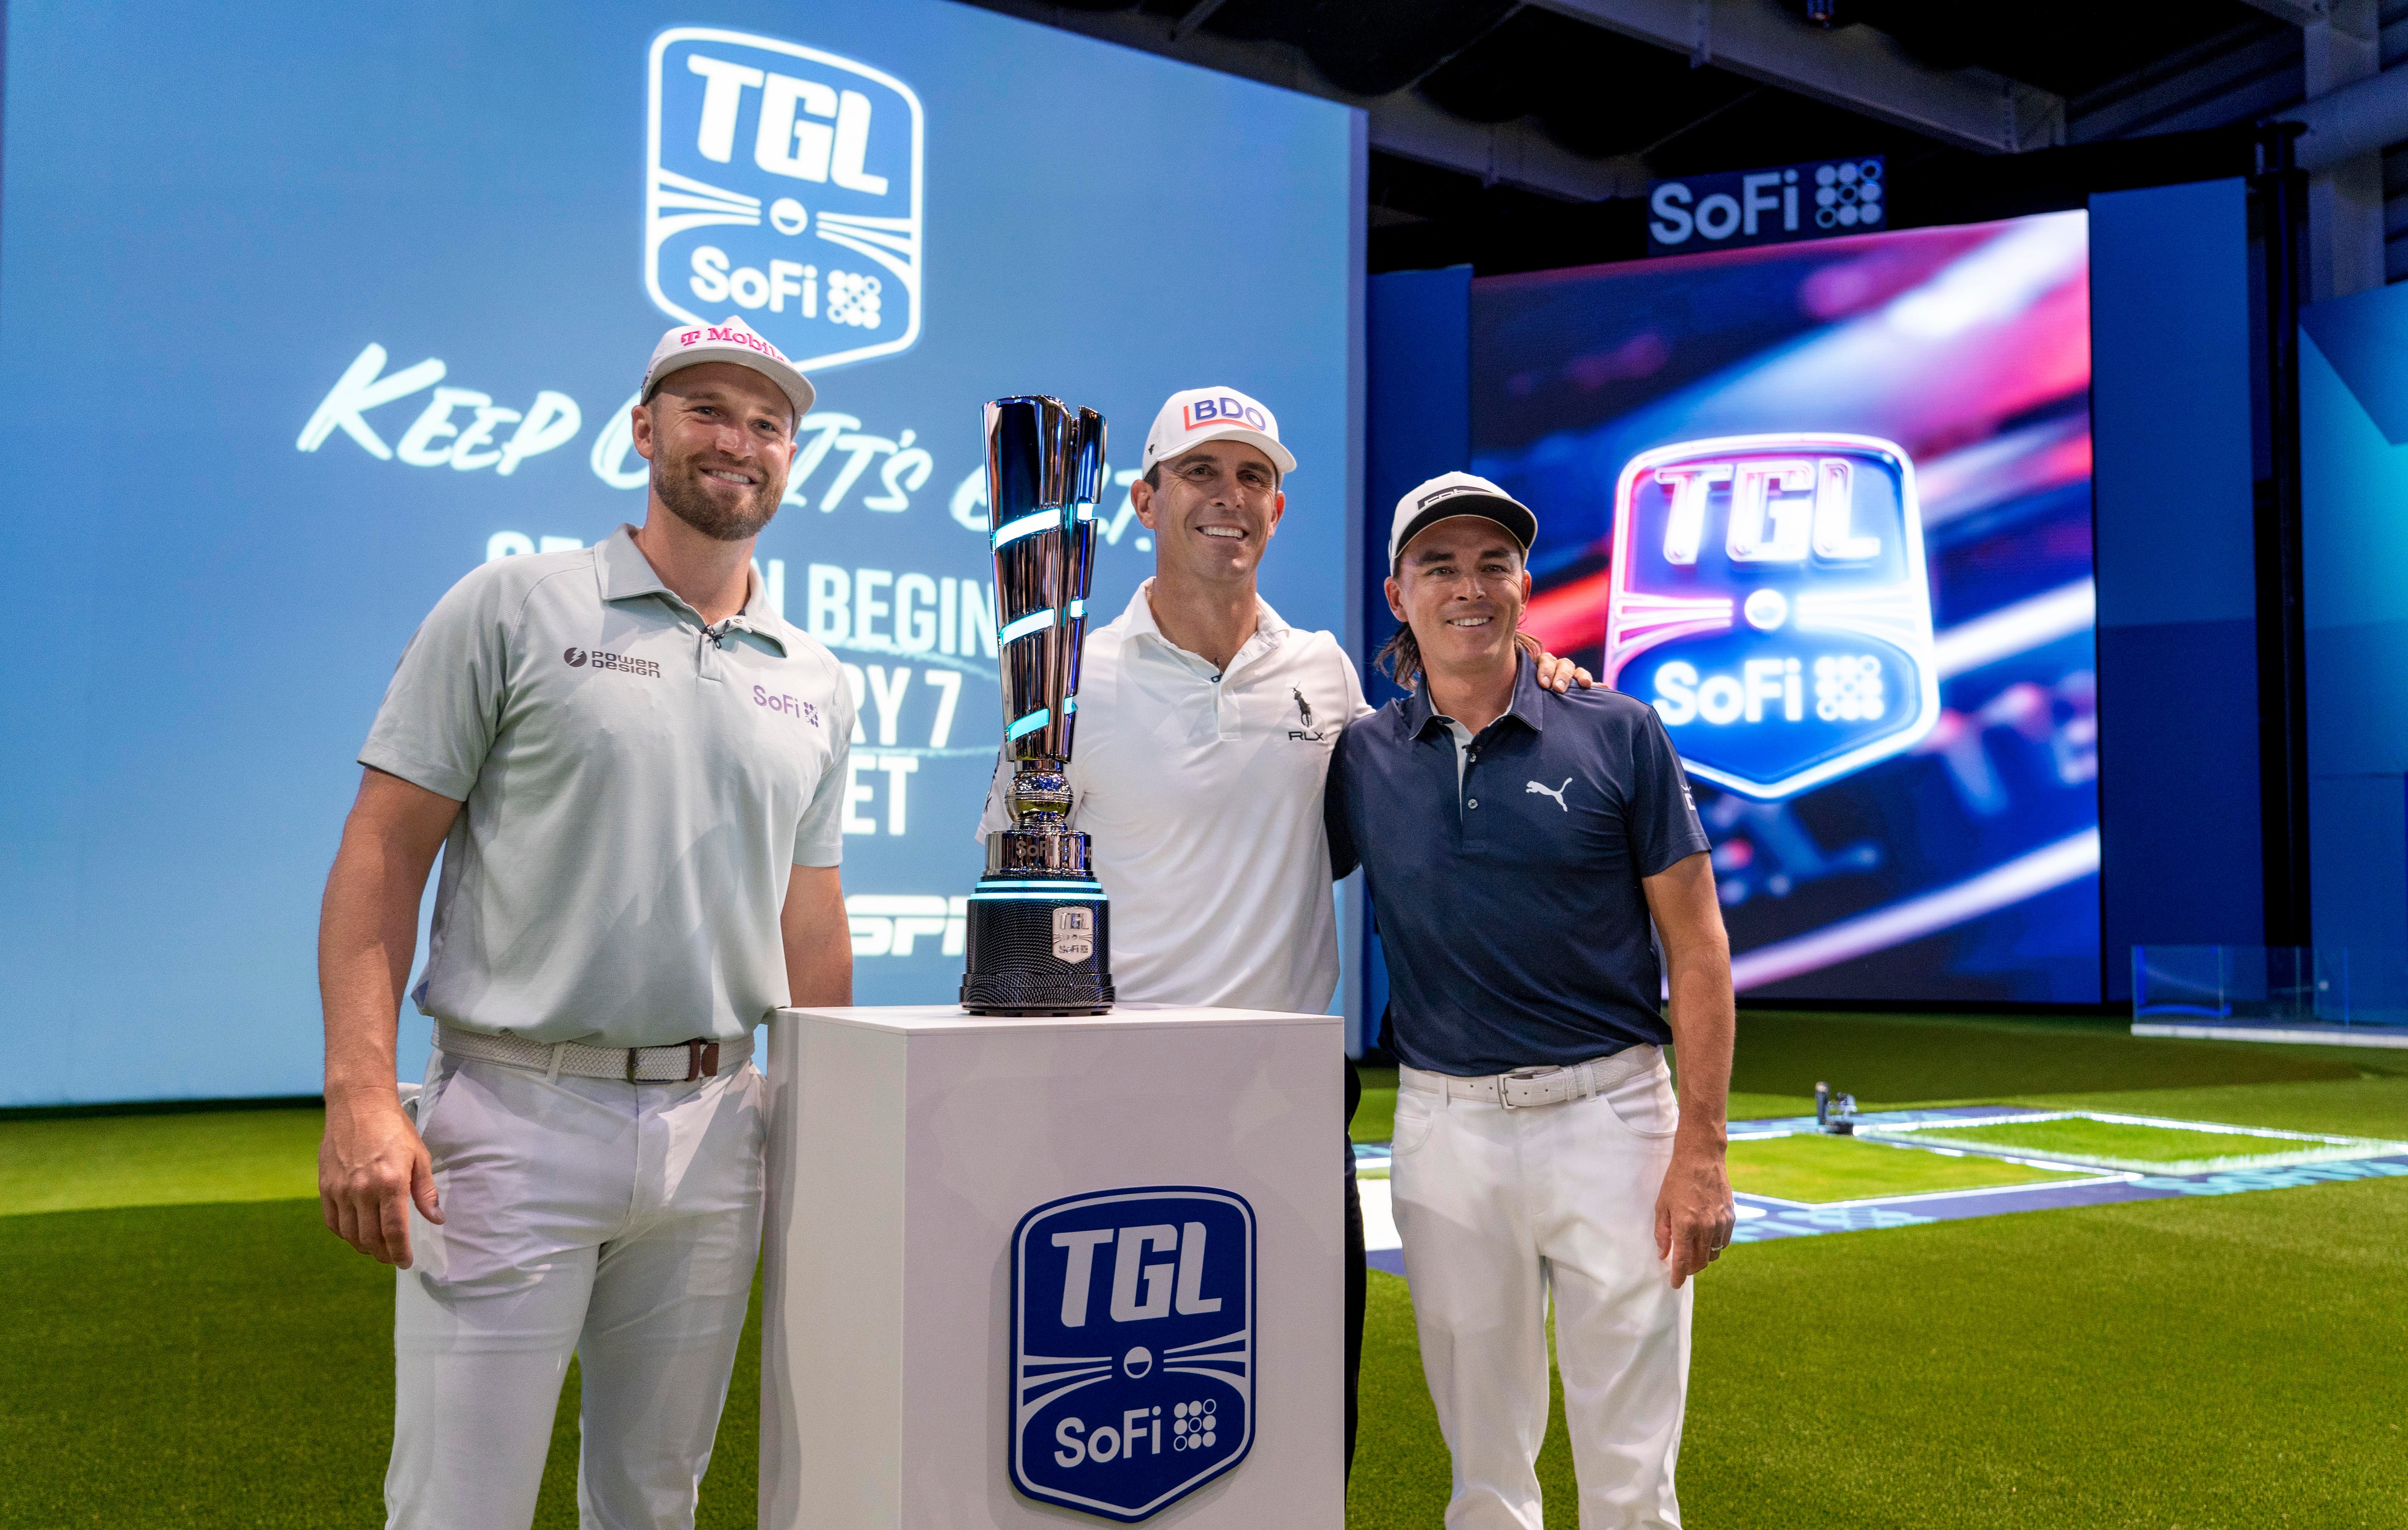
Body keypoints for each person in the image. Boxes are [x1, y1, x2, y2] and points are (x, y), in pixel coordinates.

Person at [976, 392, 1592, 1476]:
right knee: (1120, 1423)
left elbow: (1413, 771)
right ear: (1144, 500)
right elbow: (1015, 880)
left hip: (1287, 1100)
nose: (1229, 497)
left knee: (1302, 1419)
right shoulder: (1068, 679)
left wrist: (1536, 665)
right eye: (1201, 472)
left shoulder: (1322, 671)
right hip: (1111, 1096)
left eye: (1253, 476)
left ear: (1278, 508)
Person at [316, 316, 856, 1530]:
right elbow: (383, 850)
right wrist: (361, 1092)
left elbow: (811, 918)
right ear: (644, 428)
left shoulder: (818, 675)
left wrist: (833, 1126)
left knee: (654, 1502)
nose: (739, 441)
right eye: (707, 409)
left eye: (767, 423)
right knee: (459, 1508)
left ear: (791, 456)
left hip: (718, 1131)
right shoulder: (512, 604)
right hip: (513, 1117)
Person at [1324, 473, 1737, 1530]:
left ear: (1524, 584)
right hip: (1447, 1129)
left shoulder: (1618, 730)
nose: (1470, 587)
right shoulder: (1363, 755)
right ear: (1398, 594)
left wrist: (1703, 1148)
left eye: (1492, 565)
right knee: (1485, 1478)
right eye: (1440, 567)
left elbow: (1698, 948)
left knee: (1633, 1477)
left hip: (1615, 1122)